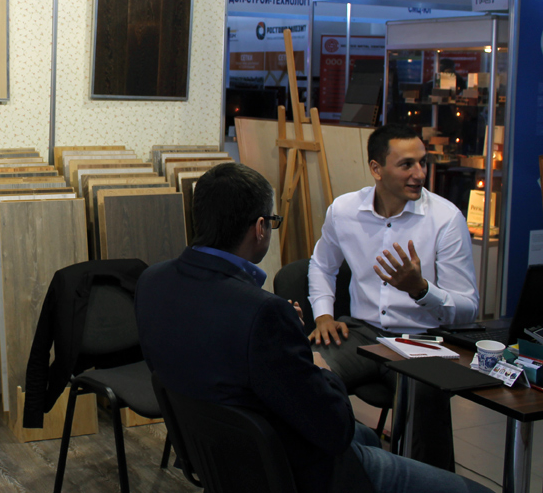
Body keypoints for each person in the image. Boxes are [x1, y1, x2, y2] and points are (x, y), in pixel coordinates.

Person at [135, 162, 489, 493]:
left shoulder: (152, 281)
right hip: (293, 471)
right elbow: (335, 430)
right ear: (259, 228)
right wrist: (312, 360)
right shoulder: (262, 312)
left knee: (367, 437)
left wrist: (282, 334)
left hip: (217, 457)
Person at [308, 123, 478, 469]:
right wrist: (323, 315)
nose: (420, 174)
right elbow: (321, 265)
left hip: (423, 342)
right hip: (360, 332)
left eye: (422, 162)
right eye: (406, 165)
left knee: (424, 410)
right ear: (377, 169)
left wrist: (421, 290)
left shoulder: (446, 219)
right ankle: (337, 471)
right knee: (301, 374)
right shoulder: (344, 210)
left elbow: (468, 309)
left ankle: (427, 483)